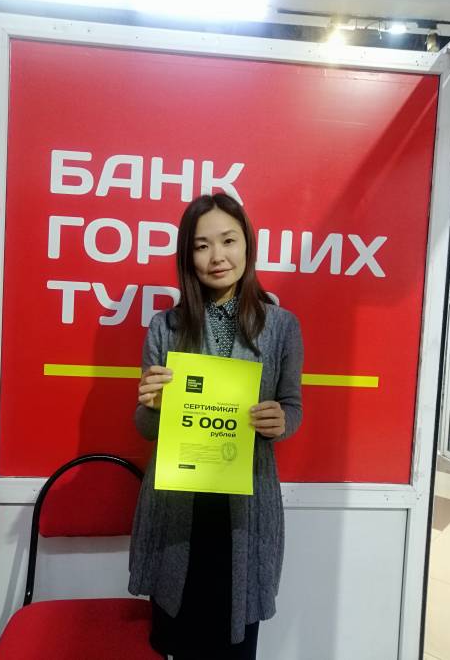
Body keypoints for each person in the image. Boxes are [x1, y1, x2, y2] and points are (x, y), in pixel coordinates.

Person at [128, 193, 303, 660]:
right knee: (178, 639)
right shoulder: (166, 326)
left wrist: (280, 421)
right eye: (202, 246)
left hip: (245, 506)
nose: (217, 256)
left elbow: (293, 407)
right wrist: (151, 403)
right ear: (188, 257)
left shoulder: (282, 326)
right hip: (179, 507)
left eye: (228, 240)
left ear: (247, 245)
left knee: (236, 640)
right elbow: (145, 428)